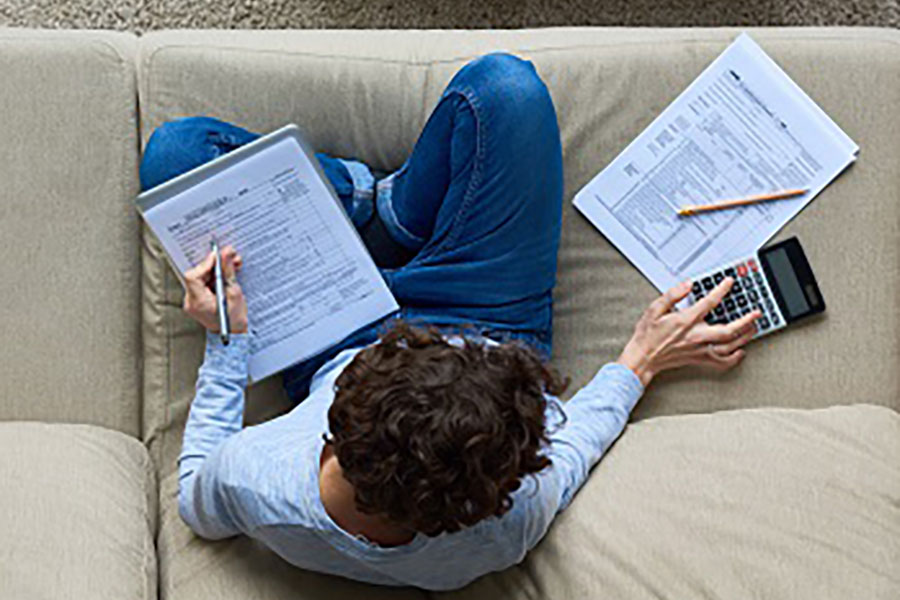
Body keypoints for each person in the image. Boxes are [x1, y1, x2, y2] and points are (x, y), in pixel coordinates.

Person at [139, 53, 760, 591]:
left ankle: (371, 207)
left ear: (333, 432)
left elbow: (194, 491)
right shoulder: (506, 519)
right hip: (486, 316)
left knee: (176, 156)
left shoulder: (260, 480)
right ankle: (392, 212)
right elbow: (575, 448)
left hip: (335, 336)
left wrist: (228, 337)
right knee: (506, 88)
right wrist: (640, 361)